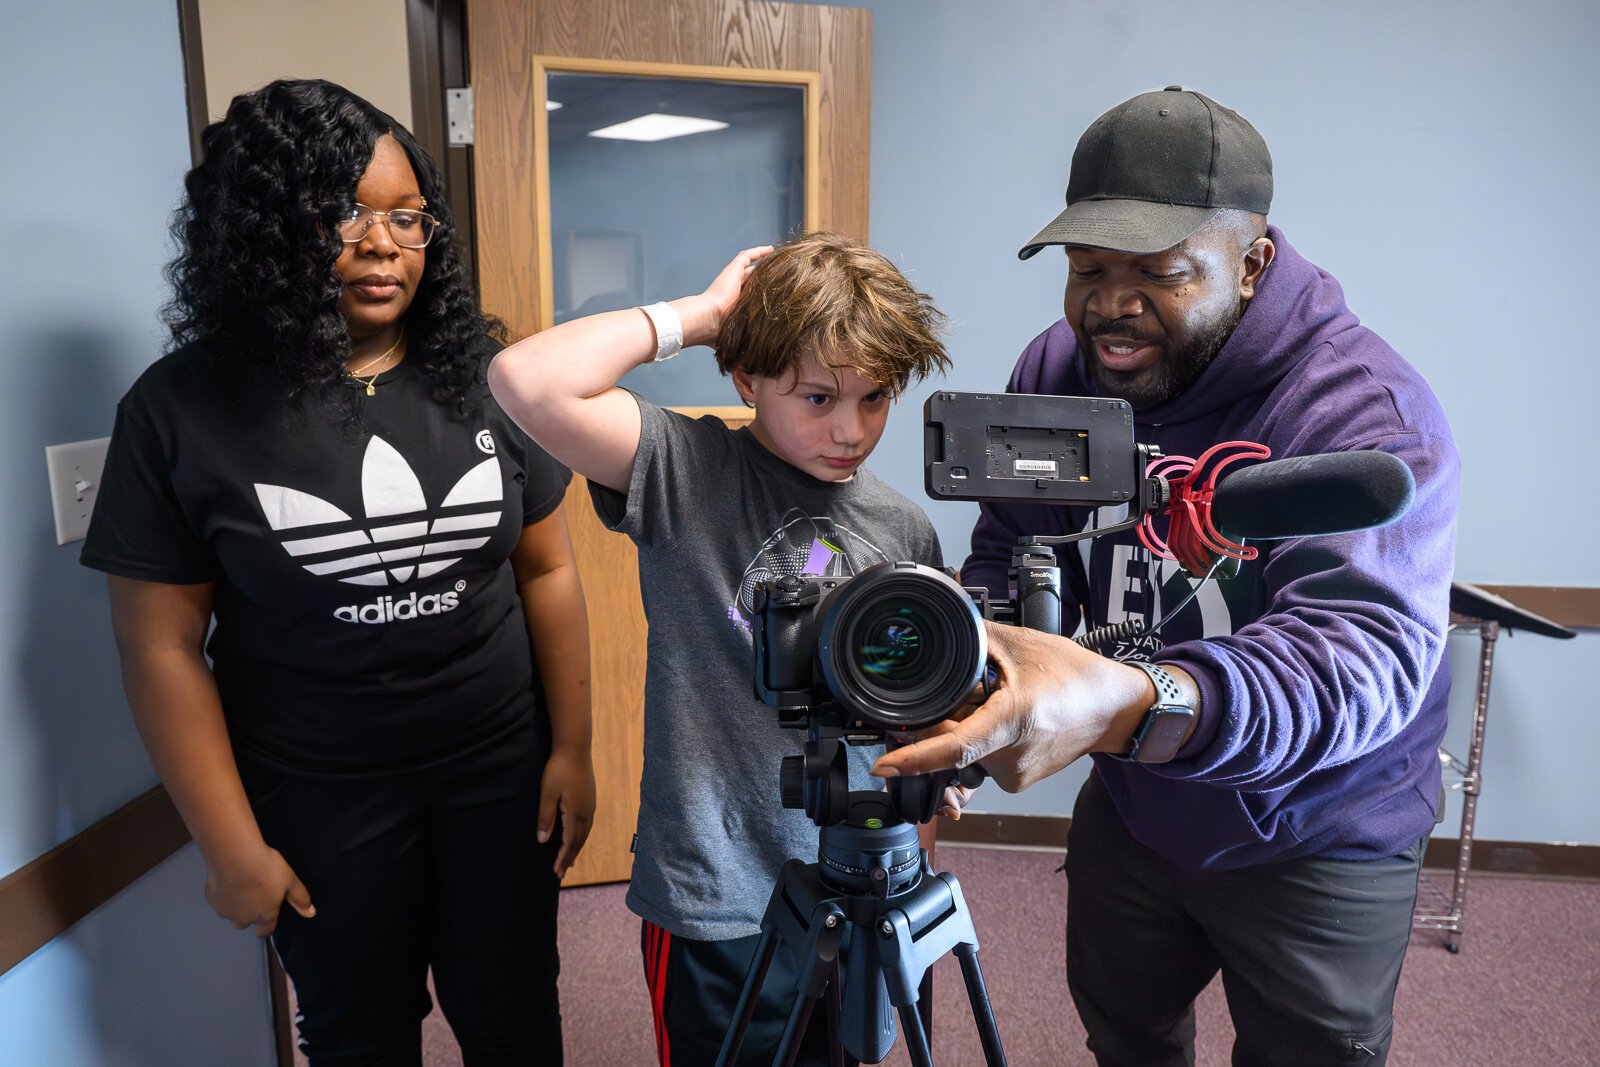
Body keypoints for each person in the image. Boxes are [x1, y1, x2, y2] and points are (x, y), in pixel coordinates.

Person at [873, 87, 1460, 1065]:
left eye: (1159, 272)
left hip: (1320, 821)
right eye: (1087, 266)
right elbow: (1014, 549)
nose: (1109, 302)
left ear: (1251, 261)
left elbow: (1355, 660)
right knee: (1126, 1032)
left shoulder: (1365, 405)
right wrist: (964, 683)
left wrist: (1138, 700)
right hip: (1138, 800)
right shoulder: (1059, 369)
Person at [80, 79, 593, 1065]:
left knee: (516, 1015)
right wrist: (229, 843)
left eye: (409, 216)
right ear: (267, 228)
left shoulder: (489, 377)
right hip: (317, 793)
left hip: (497, 772)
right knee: (358, 1034)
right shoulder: (182, 408)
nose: (383, 241)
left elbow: (546, 570)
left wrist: (572, 747)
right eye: (341, 212)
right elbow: (162, 643)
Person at [488, 231, 951, 1066]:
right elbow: (523, 381)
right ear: (748, 377)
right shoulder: (683, 468)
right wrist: (701, 317)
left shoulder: (903, 526)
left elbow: (912, 718)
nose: (850, 429)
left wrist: (915, 849)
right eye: (817, 398)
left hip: (860, 882)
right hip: (717, 887)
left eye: (875, 398)